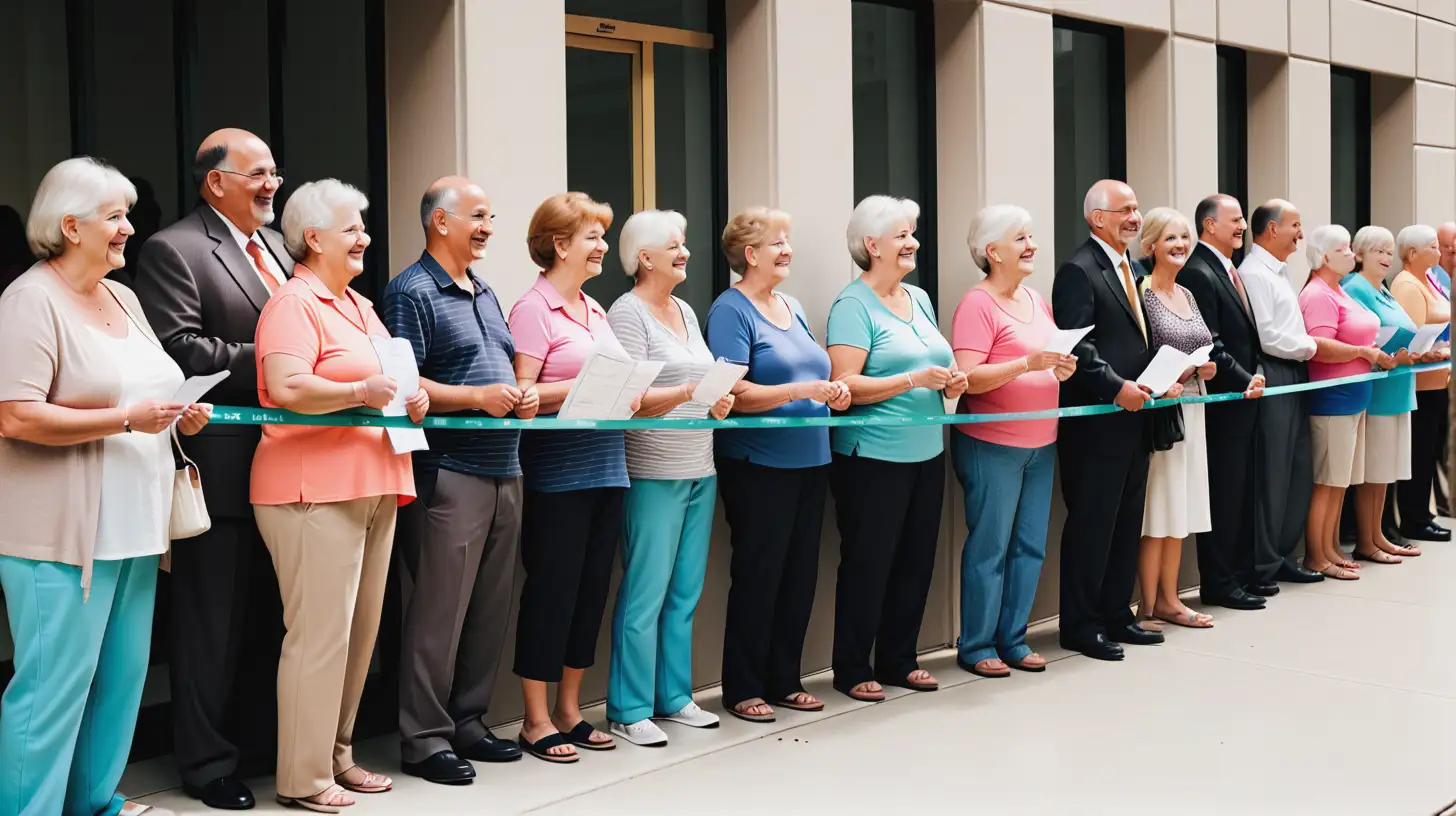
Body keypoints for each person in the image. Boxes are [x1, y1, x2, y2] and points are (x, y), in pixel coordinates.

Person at [0, 157, 210, 816]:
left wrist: (181, 411)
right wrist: (125, 418)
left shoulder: (124, 296)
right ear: (70, 226)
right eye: (115, 217)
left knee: (120, 683)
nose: (129, 228)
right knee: (51, 692)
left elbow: (148, 392)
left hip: (137, 528)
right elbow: (14, 414)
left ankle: (93, 805)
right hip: (61, 540)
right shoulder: (29, 300)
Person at [131, 128, 292, 811]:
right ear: (215, 181)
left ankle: (256, 749)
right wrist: (288, 363)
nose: (271, 185)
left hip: (285, 468)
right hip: (219, 469)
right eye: (257, 174)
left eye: (275, 173)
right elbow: (181, 351)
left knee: (265, 621)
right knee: (209, 629)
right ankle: (204, 764)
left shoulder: (280, 250)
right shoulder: (175, 248)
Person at [253, 179, 425, 811]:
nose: (365, 237)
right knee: (319, 635)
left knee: (359, 633)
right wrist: (362, 393)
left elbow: (385, 377)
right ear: (313, 237)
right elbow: (289, 385)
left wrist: (411, 395)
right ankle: (302, 778)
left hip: (374, 480)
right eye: (352, 227)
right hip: (311, 489)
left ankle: (338, 754)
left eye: (364, 226)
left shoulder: (356, 304)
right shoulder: (292, 303)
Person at [509, 193, 685, 763]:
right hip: (557, 478)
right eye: (592, 237)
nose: (603, 247)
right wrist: (592, 387)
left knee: (588, 596)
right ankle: (535, 721)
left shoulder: (594, 310)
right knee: (551, 596)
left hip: (608, 471)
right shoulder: (532, 309)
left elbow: (627, 392)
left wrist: (683, 394)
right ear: (560, 245)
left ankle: (568, 710)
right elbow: (523, 397)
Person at [380, 177, 526, 784]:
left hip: (505, 466)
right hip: (449, 471)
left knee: (490, 610)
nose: (489, 226)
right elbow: (404, 385)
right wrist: (476, 397)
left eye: (491, 215)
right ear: (440, 222)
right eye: (478, 216)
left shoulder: (486, 290)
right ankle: (424, 738)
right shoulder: (409, 291)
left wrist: (517, 398)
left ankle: (468, 721)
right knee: (439, 612)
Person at [707, 207, 851, 720]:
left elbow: (815, 370)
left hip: (812, 461)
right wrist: (799, 390)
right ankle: (744, 686)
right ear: (750, 254)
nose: (787, 250)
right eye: (777, 243)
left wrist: (829, 393)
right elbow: (734, 390)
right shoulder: (731, 310)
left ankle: (785, 679)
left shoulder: (791, 305)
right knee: (759, 574)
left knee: (799, 576)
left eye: (788, 241)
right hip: (759, 465)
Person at [825, 196, 965, 699]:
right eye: (903, 235)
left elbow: (935, 366)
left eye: (913, 233)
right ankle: (852, 667)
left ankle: (899, 658)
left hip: (927, 451)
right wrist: (911, 380)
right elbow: (844, 387)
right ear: (872, 244)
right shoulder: (851, 306)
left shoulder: (920, 298)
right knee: (869, 563)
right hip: (872, 457)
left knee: (916, 560)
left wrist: (950, 384)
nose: (913, 243)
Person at [604, 210, 734, 747]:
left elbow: (697, 380)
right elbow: (629, 399)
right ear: (643, 257)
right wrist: (688, 395)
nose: (684, 252)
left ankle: (673, 697)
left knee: (685, 591)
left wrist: (716, 398)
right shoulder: (626, 312)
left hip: (700, 463)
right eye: (673, 245)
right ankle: (628, 708)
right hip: (653, 469)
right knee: (646, 592)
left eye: (684, 243)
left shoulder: (683, 308)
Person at [951, 205, 1073, 676]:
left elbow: (1047, 357)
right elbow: (967, 377)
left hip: (1043, 443)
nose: (1032, 246)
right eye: (1021, 239)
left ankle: (1014, 639)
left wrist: (1060, 366)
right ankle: (978, 645)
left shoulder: (1036, 299)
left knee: (1030, 546)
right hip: (993, 445)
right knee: (991, 547)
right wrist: (1028, 365)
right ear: (992, 251)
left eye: (1031, 237)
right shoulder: (977, 304)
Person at [1050, 179, 1160, 661]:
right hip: (1096, 423)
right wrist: (1117, 388)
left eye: (1137, 209)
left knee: (1126, 522)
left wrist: (1160, 378)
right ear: (1097, 218)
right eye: (1125, 210)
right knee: (1093, 525)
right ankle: (1082, 624)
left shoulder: (1132, 267)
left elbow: (1138, 336)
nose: (1135, 218)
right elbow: (1078, 346)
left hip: (1136, 418)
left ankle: (1118, 613)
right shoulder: (1078, 270)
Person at [1178, 195, 1269, 610]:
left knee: (1240, 492)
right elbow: (1211, 344)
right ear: (1209, 225)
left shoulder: (1229, 269)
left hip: (1244, 398)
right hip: (1223, 401)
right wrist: (1244, 377)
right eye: (1235, 221)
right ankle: (1218, 581)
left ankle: (1239, 572)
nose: (1243, 228)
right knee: (1224, 493)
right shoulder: (1199, 271)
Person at [1134, 208, 1219, 630]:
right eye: (1171, 238)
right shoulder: (1142, 293)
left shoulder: (1187, 294)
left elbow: (1202, 345)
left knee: (1181, 508)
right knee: (1160, 508)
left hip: (1194, 406)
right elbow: (1140, 357)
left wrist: (1205, 368)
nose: (1181, 245)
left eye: (1185, 237)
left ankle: (1170, 598)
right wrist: (1172, 377)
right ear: (1150, 245)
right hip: (1163, 413)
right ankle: (1149, 605)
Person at [1238, 200, 1326, 586]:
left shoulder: (1279, 272)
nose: (1301, 234)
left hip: (1294, 371)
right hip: (1275, 371)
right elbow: (1268, 336)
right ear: (1272, 229)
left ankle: (1283, 555)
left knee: (1296, 466)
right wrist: (1309, 347)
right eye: (1295, 225)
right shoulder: (1254, 273)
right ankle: (1263, 564)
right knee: (1273, 471)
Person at [1298, 225, 1392, 581]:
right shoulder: (1318, 294)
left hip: (1355, 397)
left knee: (1340, 482)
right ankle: (1316, 556)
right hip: (1332, 398)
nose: (1352, 254)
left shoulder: (1339, 291)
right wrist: (1362, 352)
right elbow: (1319, 346)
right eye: (1346, 249)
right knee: (1327, 481)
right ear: (1325, 257)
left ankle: (1331, 548)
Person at [1344, 226, 1420, 562]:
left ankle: (1378, 535)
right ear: (1359, 254)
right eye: (1378, 251)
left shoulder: (1384, 289)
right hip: (1376, 388)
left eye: (1390, 252)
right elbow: (1358, 335)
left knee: (1385, 471)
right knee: (1372, 471)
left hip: (1398, 385)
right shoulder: (1354, 287)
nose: (1387, 258)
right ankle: (1367, 540)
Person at [1390, 224, 1453, 543]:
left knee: (1430, 451)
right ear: (1412, 253)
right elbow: (1412, 338)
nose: (1439, 251)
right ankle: (1413, 517)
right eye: (1432, 246)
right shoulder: (1407, 285)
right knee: (1419, 452)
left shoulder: (1429, 280)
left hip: (1437, 380)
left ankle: (1424, 512)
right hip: (1420, 385)